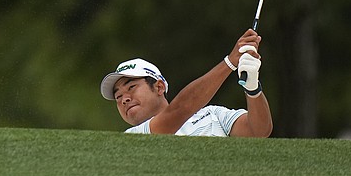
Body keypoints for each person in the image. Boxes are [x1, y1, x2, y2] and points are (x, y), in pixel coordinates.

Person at [100, 29, 273, 137]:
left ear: (159, 87)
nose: (124, 99)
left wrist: (252, 88)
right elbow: (179, 110)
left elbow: (259, 131)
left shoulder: (213, 115)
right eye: (118, 97)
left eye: (131, 87)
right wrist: (229, 63)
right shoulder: (131, 137)